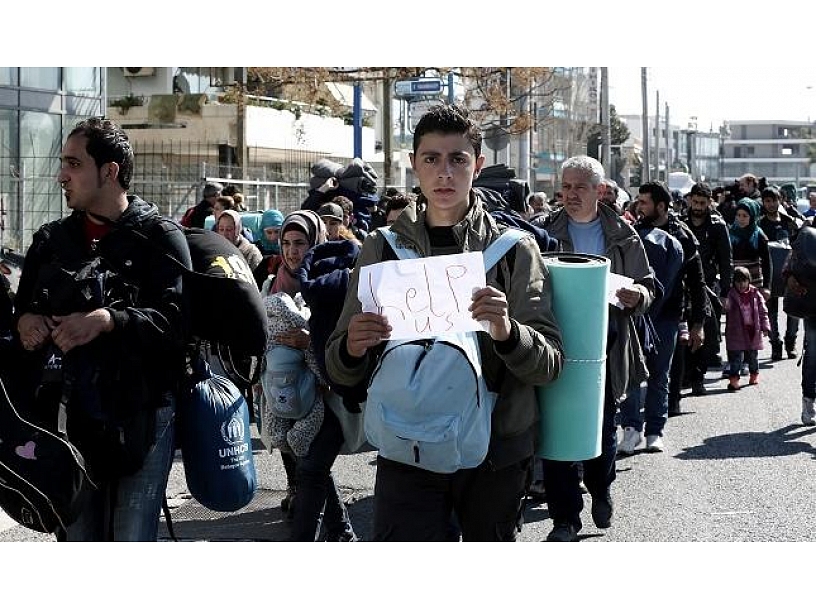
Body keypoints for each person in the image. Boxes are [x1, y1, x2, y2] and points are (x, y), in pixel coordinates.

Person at [325, 103, 564, 541]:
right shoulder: (381, 248)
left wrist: (508, 333)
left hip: (494, 450)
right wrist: (351, 347)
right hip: (406, 445)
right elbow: (339, 366)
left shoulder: (514, 250)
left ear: (478, 165)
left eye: (458, 159)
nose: (444, 173)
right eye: (431, 159)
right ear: (414, 164)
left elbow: (549, 364)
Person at [14, 117, 190, 541]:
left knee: (130, 538)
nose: (61, 176)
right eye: (62, 163)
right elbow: (19, 312)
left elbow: (176, 322)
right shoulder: (50, 241)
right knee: (78, 538)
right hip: (68, 420)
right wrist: (27, 323)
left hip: (142, 414)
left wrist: (108, 320)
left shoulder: (159, 237)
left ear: (109, 172)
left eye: (73, 164)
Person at [538, 155, 655, 542]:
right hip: (555, 345)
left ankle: (601, 487)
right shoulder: (543, 231)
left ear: (599, 191)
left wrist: (638, 294)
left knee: (602, 428)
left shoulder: (622, 233)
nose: (570, 194)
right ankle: (564, 519)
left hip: (606, 345)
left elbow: (648, 285)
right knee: (556, 431)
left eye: (580, 187)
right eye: (566, 186)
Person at [260, 210, 356, 541]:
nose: (292, 251)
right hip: (287, 395)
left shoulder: (328, 280)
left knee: (311, 470)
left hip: (325, 394)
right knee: (311, 469)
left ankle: (327, 534)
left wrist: (309, 340)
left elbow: (341, 335)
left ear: (314, 242)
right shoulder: (273, 283)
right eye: (286, 243)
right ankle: (341, 531)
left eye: (300, 243)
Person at [680, 182, 732, 381]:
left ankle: (700, 372)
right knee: (684, 326)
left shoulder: (717, 226)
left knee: (708, 324)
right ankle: (685, 371)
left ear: (709, 203)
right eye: (695, 202)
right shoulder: (681, 223)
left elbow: (726, 260)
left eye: (702, 203)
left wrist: (726, 292)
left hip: (708, 284)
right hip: (684, 283)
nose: (698, 207)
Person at [758, 186, 801, 360]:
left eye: (774, 200)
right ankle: (776, 344)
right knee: (771, 312)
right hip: (769, 273)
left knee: (794, 309)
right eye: (767, 201)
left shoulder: (789, 221)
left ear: (780, 200)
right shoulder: (759, 223)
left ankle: (791, 342)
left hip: (790, 273)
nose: (771, 204)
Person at [723, 266, 770, 391]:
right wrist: (724, 304)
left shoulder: (755, 294)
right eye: (738, 282)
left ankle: (754, 374)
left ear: (749, 281)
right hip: (736, 332)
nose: (741, 284)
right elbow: (726, 308)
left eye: (744, 281)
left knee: (753, 357)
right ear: (734, 283)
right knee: (736, 358)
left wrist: (765, 327)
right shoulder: (731, 294)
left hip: (752, 331)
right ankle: (733, 381)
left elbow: (762, 311)